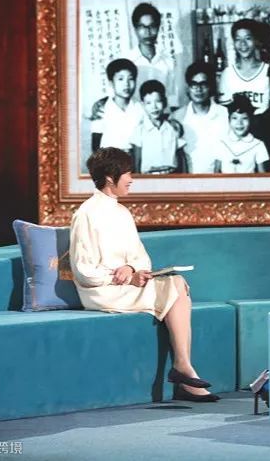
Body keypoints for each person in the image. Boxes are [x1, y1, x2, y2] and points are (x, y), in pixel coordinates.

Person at [69, 147, 219, 402]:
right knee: (176, 287)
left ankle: (183, 367)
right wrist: (125, 277)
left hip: (124, 286)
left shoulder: (122, 212)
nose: (131, 179)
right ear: (110, 178)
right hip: (101, 291)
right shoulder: (86, 214)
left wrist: (131, 268)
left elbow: (141, 258)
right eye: (127, 174)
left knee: (177, 283)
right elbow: (84, 271)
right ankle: (183, 370)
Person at [171, 62, 229, 173]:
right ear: (188, 87)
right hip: (187, 179)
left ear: (210, 86)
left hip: (220, 178)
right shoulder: (177, 117)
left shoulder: (225, 114)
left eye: (203, 84)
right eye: (194, 84)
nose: (198, 89)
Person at [89, 58, 143, 156]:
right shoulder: (101, 109)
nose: (126, 84)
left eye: (130, 79)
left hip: (135, 159)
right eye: (120, 79)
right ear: (111, 83)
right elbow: (95, 143)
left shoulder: (141, 108)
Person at [125, 2, 175, 106]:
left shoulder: (168, 61)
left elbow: (172, 97)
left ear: (158, 28)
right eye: (142, 27)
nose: (148, 32)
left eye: (152, 26)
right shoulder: (127, 61)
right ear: (135, 29)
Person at [131, 80, 186, 174]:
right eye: (148, 103)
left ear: (165, 102)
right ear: (143, 105)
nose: (154, 107)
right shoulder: (139, 131)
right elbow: (137, 161)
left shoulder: (173, 128)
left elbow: (181, 157)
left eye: (158, 101)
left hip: (171, 176)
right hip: (148, 177)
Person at [217, 18, 270, 114]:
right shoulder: (227, 74)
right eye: (238, 39)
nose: (243, 44)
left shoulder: (268, 71)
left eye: (247, 38)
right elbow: (224, 112)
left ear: (256, 40)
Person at [214, 94, 269, 173]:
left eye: (244, 118)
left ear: (251, 120)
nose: (239, 123)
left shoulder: (258, 144)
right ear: (229, 120)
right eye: (235, 118)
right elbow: (216, 173)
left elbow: (262, 174)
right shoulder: (222, 143)